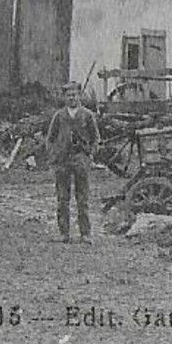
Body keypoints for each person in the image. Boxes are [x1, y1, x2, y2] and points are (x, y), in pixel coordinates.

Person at [44, 81, 100, 243]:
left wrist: (90, 155)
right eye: (68, 95)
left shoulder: (87, 115)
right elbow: (50, 139)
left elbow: (96, 138)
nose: (72, 98)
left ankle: (85, 234)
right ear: (64, 97)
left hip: (81, 160)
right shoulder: (59, 116)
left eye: (74, 95)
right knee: (62, 198)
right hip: (62, 161)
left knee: (83, 198)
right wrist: (54, 156)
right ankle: (64, 233)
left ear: (79, 96)